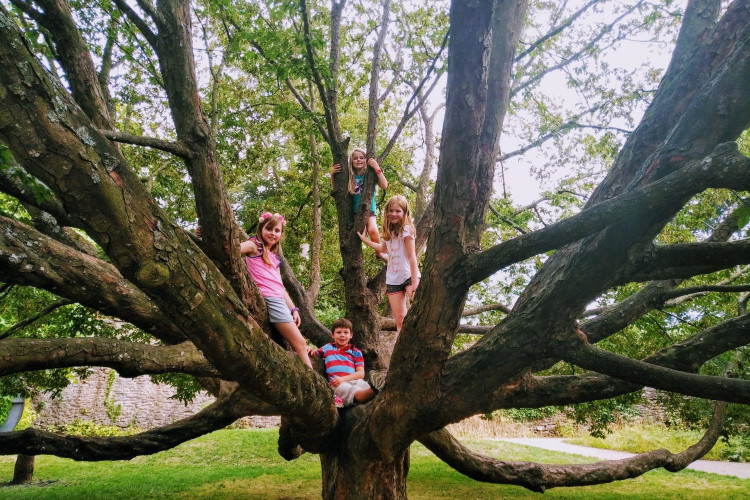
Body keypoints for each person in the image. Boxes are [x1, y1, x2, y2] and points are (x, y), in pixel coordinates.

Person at [241, 212, 312, 368]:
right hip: (270, 299)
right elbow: (231, 248)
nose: (273, 233)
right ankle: (316, 382)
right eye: (269, 229)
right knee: (300, 343)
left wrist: (293, 308)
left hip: (278, 300)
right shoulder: (254, 246)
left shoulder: (274, 257)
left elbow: (280, 287)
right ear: (261, 229)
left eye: (277, 230)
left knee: (296, 344)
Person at [357, 195, 419, 333]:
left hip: (408, 275)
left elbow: (412, 257)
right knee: (400, 320)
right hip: (393, 280)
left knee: (420, 306)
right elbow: (383, 249)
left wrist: (415, 283)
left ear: (404, 213)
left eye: (398, 211)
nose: (393, 214)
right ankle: (400, 349)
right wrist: (364, 240)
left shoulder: (407, 229)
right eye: (391, 211)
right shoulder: (389, 230)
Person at [331, 147, 388, 260]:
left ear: (366, 160)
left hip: (368, 209)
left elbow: (384, 185)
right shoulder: (349, 176)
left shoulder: (369, 174)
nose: (359, 160)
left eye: (362, 158)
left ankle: (379, 253)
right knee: (356, 237)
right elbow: (336, 190)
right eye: (355, 158)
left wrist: (377, 168)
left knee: (373, 230)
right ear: (351, 161)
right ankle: (355, 260)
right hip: (354, 212)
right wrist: (332, 175)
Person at [309, 318, 375, 407]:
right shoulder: (327, 348)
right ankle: (374, 390)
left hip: (355, 380)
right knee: (353, 391)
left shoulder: (356, 352)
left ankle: (375, 389)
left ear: (351, 335)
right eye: (339, 332)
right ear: (333, 335)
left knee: (364, 386)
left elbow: (361, 373)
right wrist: (308, 348)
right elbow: (313, 354)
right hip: (337, 383)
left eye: (346, 332)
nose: (342, 335)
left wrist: (345, 378)